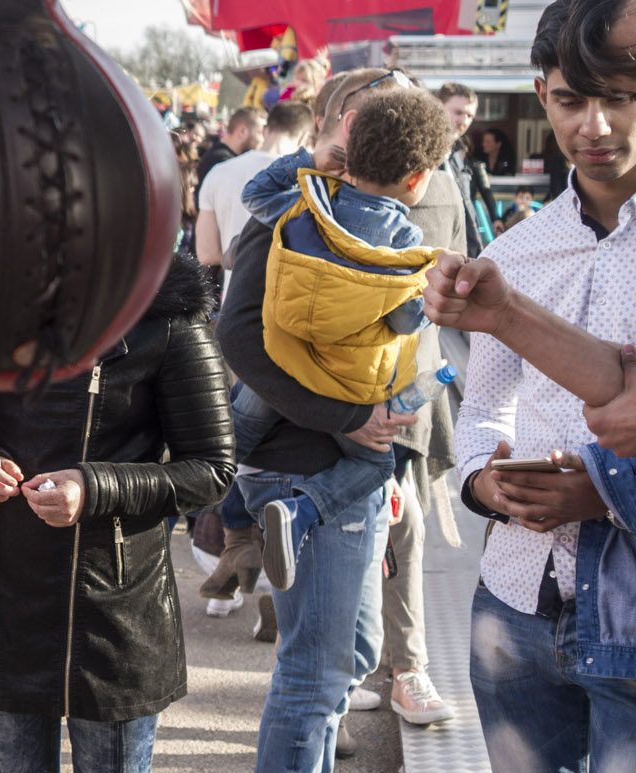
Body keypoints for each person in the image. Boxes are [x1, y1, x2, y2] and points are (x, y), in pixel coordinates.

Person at [0, 255, 234, 773]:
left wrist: (95, 488)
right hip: (6, 597)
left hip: (119, 611)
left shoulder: (169, 317)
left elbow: (211, 468)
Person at [418, 1, 636, 773]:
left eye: (620, 96)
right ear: (541, 95)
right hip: (515, 596)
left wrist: (599, 489)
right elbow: (485, 407)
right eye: (574, 98)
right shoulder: (516, 250)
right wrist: (486, 483)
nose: (597, 124)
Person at [215, 67, 419, 773]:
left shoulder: (350, 208)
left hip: (348, 470)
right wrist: (347, 420)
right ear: (344, 120)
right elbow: (238, 336)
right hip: (304, 468)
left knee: (353, 653)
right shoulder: (295, 209)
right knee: (318, 664)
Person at [231, 85, 456, 584]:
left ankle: (207, 491)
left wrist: (308, 159)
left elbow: (255, 195)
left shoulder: (304, 206)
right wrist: (425, 309)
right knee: (377, 467)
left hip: (283, 353)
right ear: (416, 180)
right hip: (347, 388)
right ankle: (303, 513)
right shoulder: (404, 245)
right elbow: (401, 321)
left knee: (235, 425)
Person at [196, 101, 315, 271]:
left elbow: (206, 254)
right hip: (282, 291)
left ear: (266, 130)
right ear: (303, 137)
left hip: (233, 291)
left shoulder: (218, 172)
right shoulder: (306, 181)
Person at [437, 82, 500, 254]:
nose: (463, 121)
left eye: (469, 115)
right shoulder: (421, 151)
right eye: (458, 112)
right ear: (438, 107)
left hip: (461, 253)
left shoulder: (458, 154)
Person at [195, 105, 264, 202]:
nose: (263, 140)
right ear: (242, 131)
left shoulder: (219, 156)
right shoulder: (222, 161)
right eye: (261, 133)